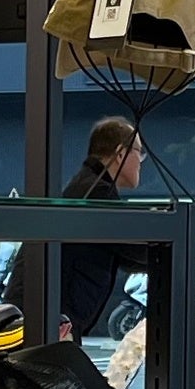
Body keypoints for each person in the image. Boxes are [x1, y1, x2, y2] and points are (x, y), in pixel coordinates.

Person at [57, 116, 143, 339]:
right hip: (55, 319)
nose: (141, 162)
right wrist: (190, 246)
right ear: (121, 153)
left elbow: (126, 256)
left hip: (55, 314)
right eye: (139, 153)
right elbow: (136, 248)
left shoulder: (88, 184)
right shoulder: (97, 192)